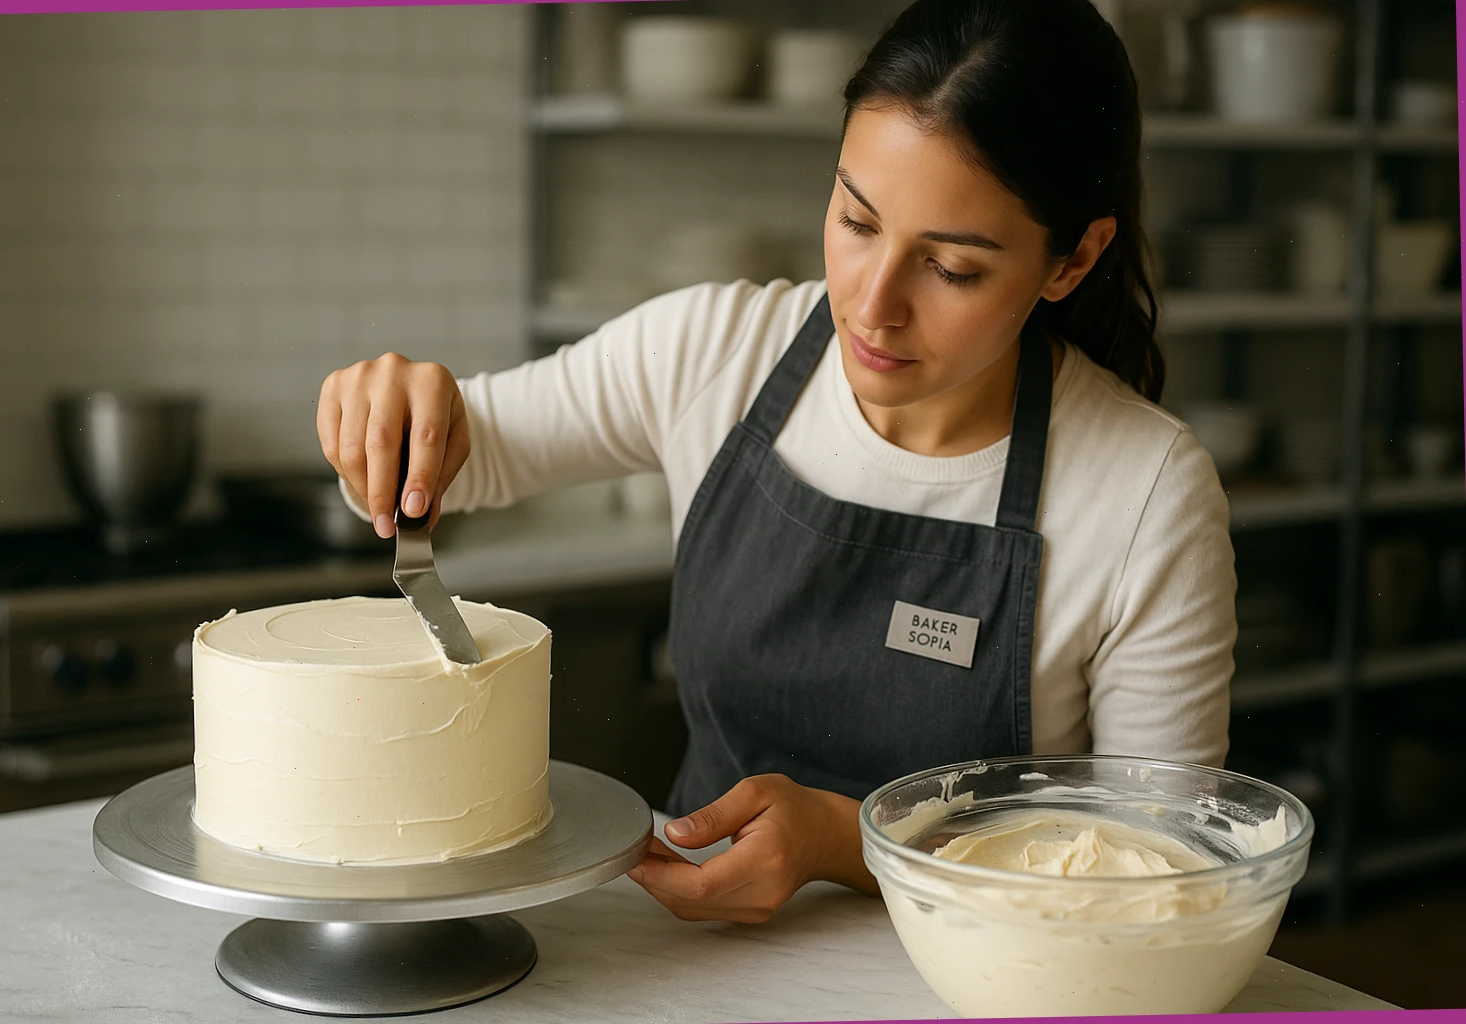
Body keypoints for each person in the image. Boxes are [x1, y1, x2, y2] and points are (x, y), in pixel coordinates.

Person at [317, 0, 1236, 925]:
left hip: (989, 981)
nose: (873, 306)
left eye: (952, 268)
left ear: (1073, 258)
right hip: (694, 965)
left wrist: (848, 844)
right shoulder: (712, 351)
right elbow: (461, 457)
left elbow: (1158, 880)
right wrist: (396, 415)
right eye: (856, 219)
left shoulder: (1146, 494)